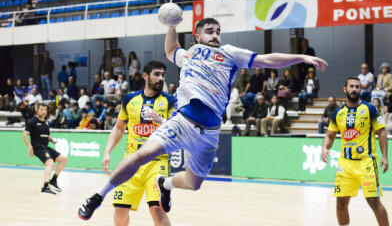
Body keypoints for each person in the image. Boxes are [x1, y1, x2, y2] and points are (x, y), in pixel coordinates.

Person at [78, 17, 327, 220]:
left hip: (209, 133)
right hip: (181, 121)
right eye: (209, 31)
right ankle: (97, 197)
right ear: (197, 36)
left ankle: (165, 185)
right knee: (142, 155)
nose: (215, 35)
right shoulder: (190, 54)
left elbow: (266, 59)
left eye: (218, 31)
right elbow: (170, 50)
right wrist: (171, 25)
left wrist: (301, 58)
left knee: (193, 183)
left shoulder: (230, 53)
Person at [85, 61, 175, 225]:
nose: (160, 78)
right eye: (156, 74)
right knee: (120, 211)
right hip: (131, 162)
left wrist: (160, 120)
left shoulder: (170, 101)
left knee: (157, 210)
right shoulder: (130, 99)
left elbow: (177, 129)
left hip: (157, 163)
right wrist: (107, 151)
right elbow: (119, 128)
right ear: (145, 76)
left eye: (163, 75)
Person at [321, 76, 389, 226]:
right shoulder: (337, 114)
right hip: (345, 165)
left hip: (366, 162)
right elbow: (330, 135)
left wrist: (384, 156)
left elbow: (382, 132)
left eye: (357, 87)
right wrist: (324, 147)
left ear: (360, 89)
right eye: (351, 86)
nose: (354, 89)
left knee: (373, 201)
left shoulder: (370, 109)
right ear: (345, 89)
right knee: (340, 203)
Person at [22, 104, 68, 194]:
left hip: (45, 146)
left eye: (45, 110)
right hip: (37, 147)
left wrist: (52, 140)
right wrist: (30, 147)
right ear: (37, 110)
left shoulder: (46, 122)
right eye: (41, 109)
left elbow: (47, 135)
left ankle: (53, 180)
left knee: (63, 159)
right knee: (50, 163)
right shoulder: (32, 121)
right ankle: (45, 187)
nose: (43, 111)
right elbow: (24, 134)